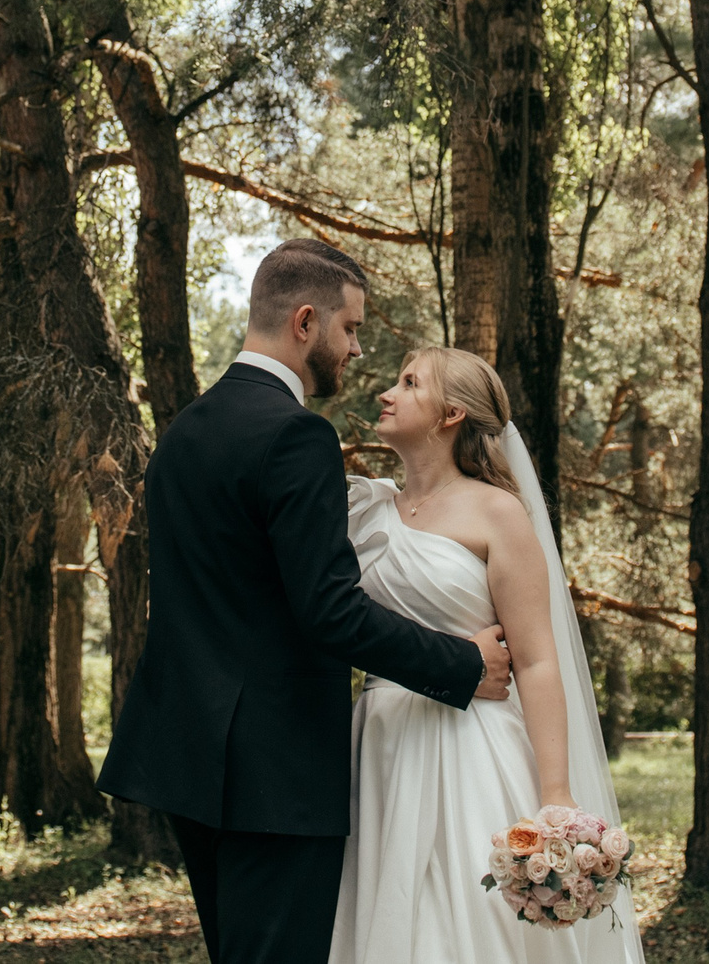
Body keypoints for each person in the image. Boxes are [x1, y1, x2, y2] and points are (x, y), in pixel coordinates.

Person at [99, 239, 515, 964]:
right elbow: (328, 611)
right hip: (276, 771)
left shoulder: (182, 435)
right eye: (349, 328)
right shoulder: (296, 436)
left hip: (187, 759)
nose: (355, 350)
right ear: (304, 321)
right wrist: (461, 661)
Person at [327, 347, 642, 963]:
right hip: (378, 745)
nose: (387, 393)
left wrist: (556, 791)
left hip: (468, 746)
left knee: (462, 927)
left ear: (450, 414)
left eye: (408, 382)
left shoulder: (498, 513)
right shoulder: (361, 508)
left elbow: (536, 661)